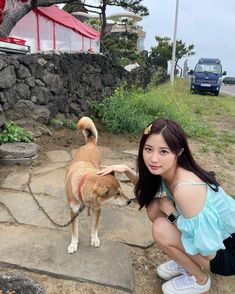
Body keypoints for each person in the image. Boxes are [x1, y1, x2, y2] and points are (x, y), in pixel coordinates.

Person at [97, 117, 235, 294]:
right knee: (154, 206)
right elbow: (146, 186)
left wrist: (170, 211)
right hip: (217, 240)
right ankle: (187, 263)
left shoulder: (185, 188)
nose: (153, 159)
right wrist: (125, 169)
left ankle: (200, 281)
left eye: (163, 151)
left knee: (161, 228)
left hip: (225, 252)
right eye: (148, 149)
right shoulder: (169, 170)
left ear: (179, 152)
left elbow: (207, 249)